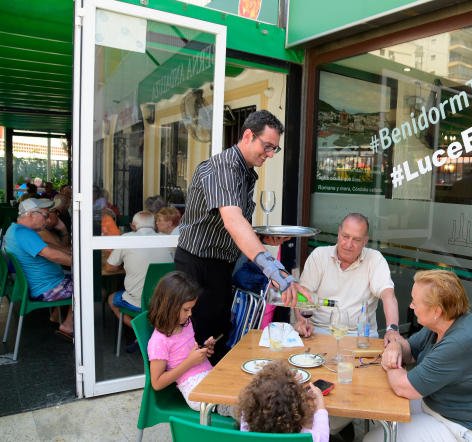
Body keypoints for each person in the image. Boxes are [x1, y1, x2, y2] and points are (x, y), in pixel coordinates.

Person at [175, 110, 302, 363]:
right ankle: (197, 397)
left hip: (222, 266)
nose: (269, 154)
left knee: (220, 335)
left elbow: (235, 225)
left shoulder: (245, 172)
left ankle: (215, 395)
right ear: (247, 136)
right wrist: (274, 269)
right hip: (197, 265)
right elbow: (233, 221)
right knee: (197, 341)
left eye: (274, 149)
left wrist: (261, 238)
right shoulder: (222, 167)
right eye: (267, 146)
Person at [365, 270, 472, 442]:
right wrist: (395, 346)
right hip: (443, 406)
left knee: (373, 439)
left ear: (436, 311)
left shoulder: (459, 342)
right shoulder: (444, 322)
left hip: (468, 429)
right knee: (380, 408)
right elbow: (410, 351)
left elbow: (404, 387)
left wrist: (389, 363)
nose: (411, 306)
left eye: (414, 302)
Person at [294, 213, 400, 343]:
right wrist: (302, 321)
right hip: (318, 332)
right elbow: (302, 293)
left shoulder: (375, 259)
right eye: (345, 236)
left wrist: (392, 329)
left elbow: (388, 296)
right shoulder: (319, 256)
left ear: (365, 241)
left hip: (360, 336)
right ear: (338, 233)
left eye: (356, 240)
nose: (348, 244)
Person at [147, 271, 229, 414]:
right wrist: (190, 362)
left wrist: (203, 349)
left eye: (191, 309)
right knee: (239, 406)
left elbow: (186, 351)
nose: (190, 314)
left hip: (210, 376)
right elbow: (157, 383)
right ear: (169, 306)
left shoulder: (185, 323)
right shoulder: (158, 341)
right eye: (186, 309)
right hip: (196, 392)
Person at [3, 198, 74, 340]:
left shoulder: (15, 229)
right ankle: (68, 326)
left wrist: (69, 253)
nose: (47, 220)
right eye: (45, 215)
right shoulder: (24, 233)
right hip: (46, 288)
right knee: (94, 288)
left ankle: (55, 316)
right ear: (30, 214)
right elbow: (51, 255)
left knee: (73, 276)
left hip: (40, 283)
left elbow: (46, 246)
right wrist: (82, 263)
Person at [105, 211, 175, 329]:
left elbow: (110, 267)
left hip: (137, 302)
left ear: (133, 226)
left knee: (111, 299)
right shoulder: (167, 240)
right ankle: (152, 333)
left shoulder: (126, 239)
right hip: (165, 301)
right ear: (154, 225)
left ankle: (142, 332)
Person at [236, 360, 329, 442]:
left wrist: (284, 383)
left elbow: (248, 408)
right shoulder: (303, 436)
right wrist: (320, 406)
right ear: (297, 407)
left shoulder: (247, 428)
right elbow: (323, 437)